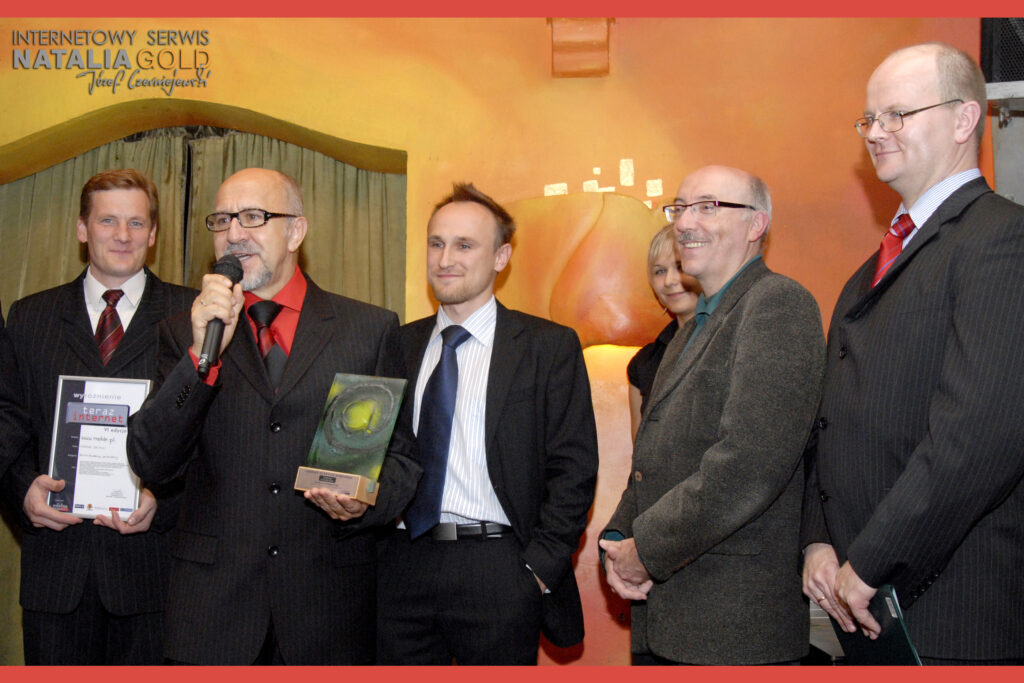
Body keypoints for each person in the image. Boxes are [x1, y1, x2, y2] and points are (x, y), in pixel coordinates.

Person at [126, 168, 420, 665]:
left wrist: (365, 501)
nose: (233, 234)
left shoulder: (367, 329)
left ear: (296, 231)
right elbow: (152, 461)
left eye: (253, 217)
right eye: (222, 220)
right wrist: (200, 357)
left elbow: (402, 461)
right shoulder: (184, 333)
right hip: (214, 615)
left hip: (326, 611)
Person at [801, 43, 1024, 665]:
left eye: (897, 114)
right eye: (869, 119)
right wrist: (817, 542)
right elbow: (830, 423)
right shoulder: (866, 273)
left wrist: (874, 560)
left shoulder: (1002, 239)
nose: (876, 132)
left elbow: (980, 435)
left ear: (964, 119)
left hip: (953, 616)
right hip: (865, 610)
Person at [316, 182, 598, 664]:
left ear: (501, 256)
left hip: (500, 567)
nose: (445, 259)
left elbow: (574, 468)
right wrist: (343, 493)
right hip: (400, 563)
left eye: (465, 245)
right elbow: (369, 448)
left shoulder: (548, 347)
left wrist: (537, 569)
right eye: (437, 243)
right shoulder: (393, 343)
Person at [600, 165, 825, 665]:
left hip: (732, 628)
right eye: (680, 208)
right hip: (671, 619)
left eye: (708, 207)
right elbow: (651, 463)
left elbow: (748, 465)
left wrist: (645, 549)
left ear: (756, 224)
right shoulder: (692, 329)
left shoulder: (777, 304)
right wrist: (616, 540)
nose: (684, 222)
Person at [0, 169, 195, 664]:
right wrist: (22, 490)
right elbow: (8, 422)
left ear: (154, 233)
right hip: (56, 574)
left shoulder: (191, 316)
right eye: (108, 220)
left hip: (153, 575)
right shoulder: (30, 316)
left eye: (136, 222)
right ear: (82, 229)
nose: (123, 235)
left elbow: (215, 435)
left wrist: (162, 500)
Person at [626, 224, 701, 440]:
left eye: (680, 267)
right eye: (660, 271)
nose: (669, 281)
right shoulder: (644, 362)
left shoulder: (737, 340)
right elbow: (641, 450)